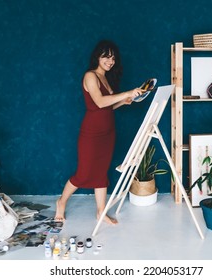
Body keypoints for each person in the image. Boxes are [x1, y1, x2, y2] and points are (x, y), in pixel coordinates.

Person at [54, 40, 143, 225]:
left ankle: (101, 212)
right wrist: (127, 93)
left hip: (108, 132)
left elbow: (108, 107)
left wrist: (126, 101)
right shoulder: (90, 76)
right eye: (106, 57)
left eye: (113, 58)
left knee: (102, 172)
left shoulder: (106, 78)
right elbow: (100, 102)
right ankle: (61, 202)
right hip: (92, 132)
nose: (110, 61)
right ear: (98, 56)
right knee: (83, 174)